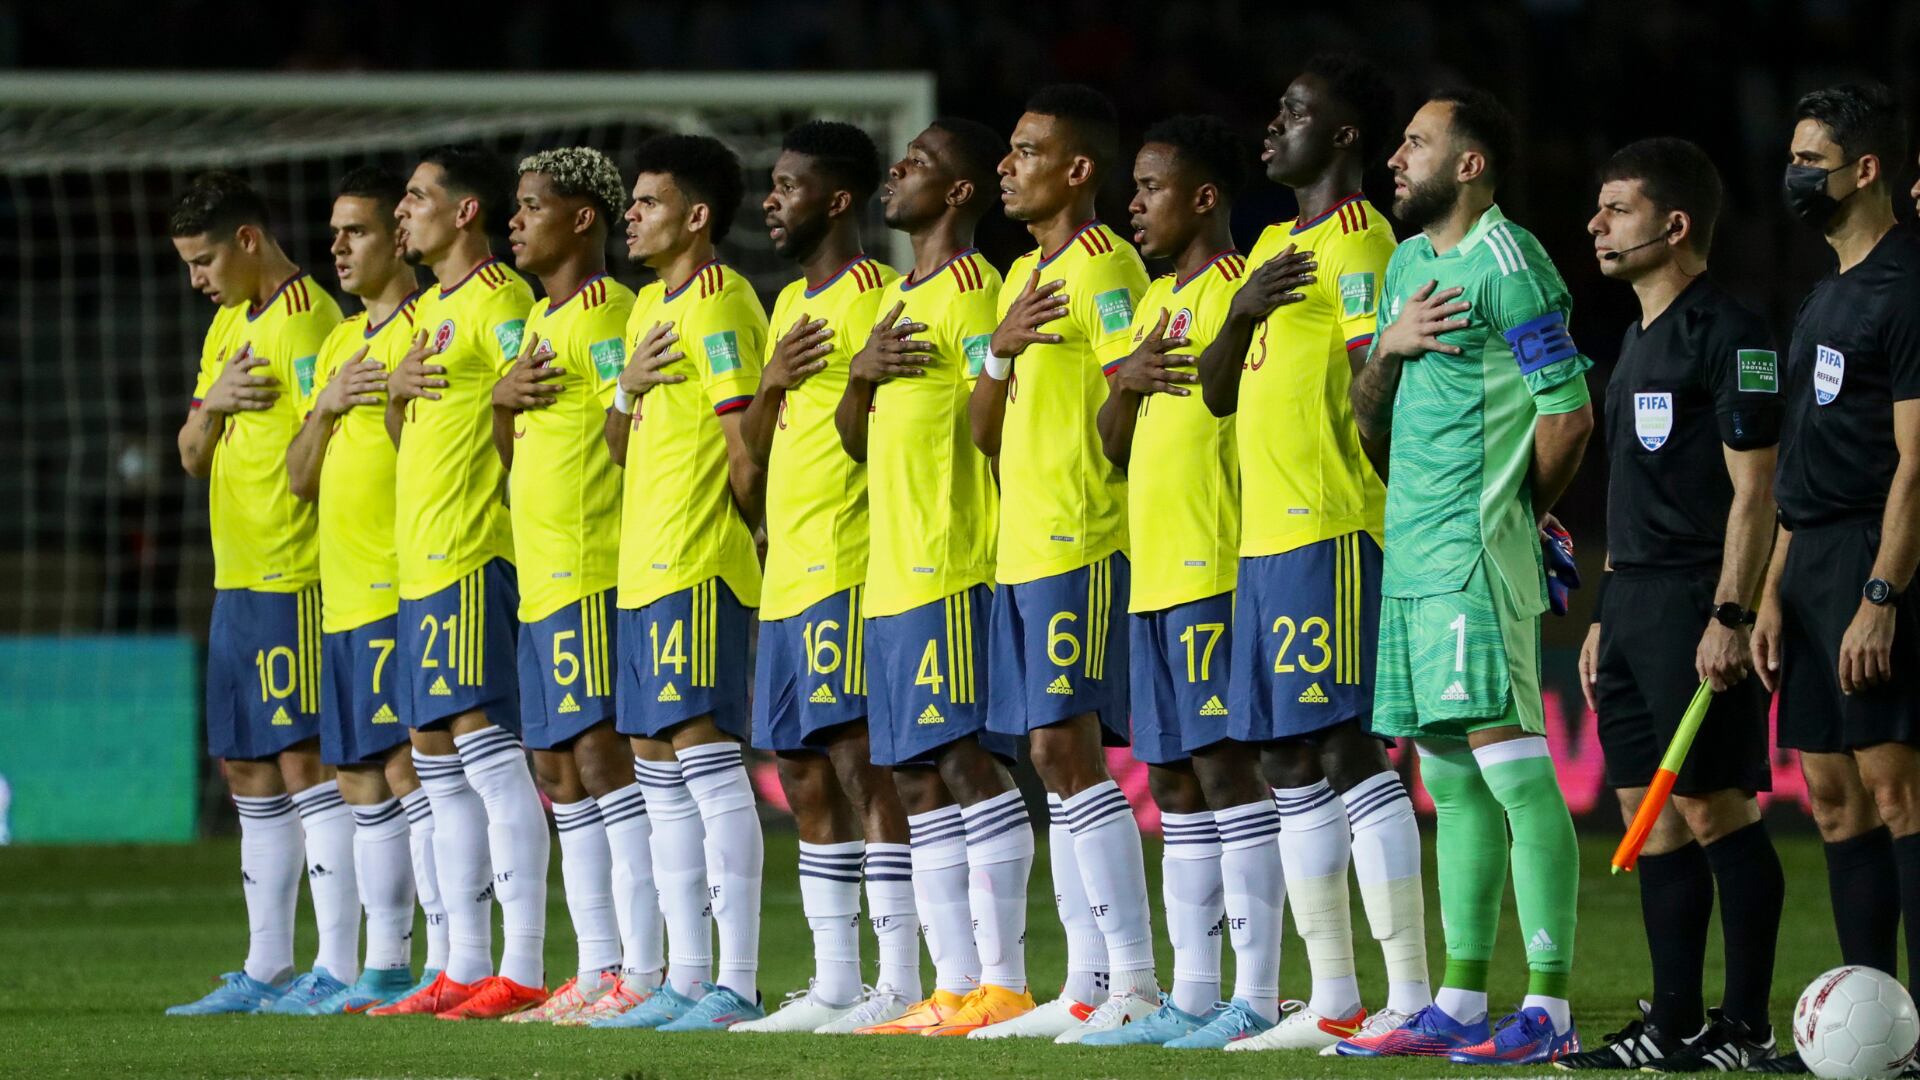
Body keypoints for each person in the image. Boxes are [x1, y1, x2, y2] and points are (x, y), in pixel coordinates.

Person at [1193, 56, 1436, 1055]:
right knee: (1285, 758)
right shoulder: (1267, 249)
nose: (1272, 127)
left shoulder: (1363, 240)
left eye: (1296, 113)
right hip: (1264, 542)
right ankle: (1332, 995)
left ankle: (1410, 992)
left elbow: (1380, 394)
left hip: (1333, 528)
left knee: (1343, 749)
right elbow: (1212, 391)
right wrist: (1243, 309)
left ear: (1342, 138)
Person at [1345, 88, 1593, 1065]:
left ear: (1472, 164)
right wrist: (1390, 350)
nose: (1397, 157)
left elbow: (1567, 414)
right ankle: (1455, 999)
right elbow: (1368, 417)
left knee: (1515, 777)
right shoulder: (1407, 266)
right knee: (1448, 783)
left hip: (1471, 556)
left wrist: (1513, 517)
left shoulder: (1511, 262)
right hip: (1409, 554)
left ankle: (1551, 1008)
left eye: (1417, 142)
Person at [1556, 137, 1786, 1072]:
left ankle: (1746, 1023)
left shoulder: (1731, 332)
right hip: (1635, 604)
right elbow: (1636, 495)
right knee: (1644, 812)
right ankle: (1676, 1024)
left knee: (1716, 806)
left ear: (1675, 223)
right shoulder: (1635, 341)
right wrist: (1607, 613)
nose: (1596, 225)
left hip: (1701, 602)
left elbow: (1757, 488)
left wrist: (1731, 615)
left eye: (1616, 209)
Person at [833, 117, 1034, 1036]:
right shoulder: (894, 302)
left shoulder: (975, 291)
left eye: (916, 164)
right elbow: (853, 443)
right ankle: (951, 986)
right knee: (913, 781)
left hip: (952, 564)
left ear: (957, 193)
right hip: (889, 577)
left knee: (964, 763)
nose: (895, 175)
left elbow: (995, 430)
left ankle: (1006, 980)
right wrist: (860, 378)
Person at [966, 83, 1158, 1042]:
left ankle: (1132, 980)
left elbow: (1132, 409)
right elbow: (981, 432)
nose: (1006, 165)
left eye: (1026, 149)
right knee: (1047, 757)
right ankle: (1086, 984)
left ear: (1077, 170)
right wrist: (996, 355)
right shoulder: (1015, 281)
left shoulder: (1106, 267)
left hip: (1081, 540)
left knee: (1063, 751)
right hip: (1019, 543)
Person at [1079, 113, 1269, 1049]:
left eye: (1152, 187)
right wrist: (1127, 382)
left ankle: (1259, 994)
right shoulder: (1154, 305)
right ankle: (1192, 994)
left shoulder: (1243, 291)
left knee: (1226, 769)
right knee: (1174, 780)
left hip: (1215, 564)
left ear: (1203, 196)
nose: (1135, 203)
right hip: (1148, 575)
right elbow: (1110, 452)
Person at [732, 121, 918, 1033]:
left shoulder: (880, 296)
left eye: (788, 183)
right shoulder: (784, 310)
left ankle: (900, 977)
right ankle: (836, 981)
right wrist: (767, 384)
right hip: (786, 574)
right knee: (801, 772)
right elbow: (754, 451)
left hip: (851, 562)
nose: (771, 199)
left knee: (862, 765)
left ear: (837, 200)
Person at [1750, 81, 1920, 1076]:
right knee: (1833, 802)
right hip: (1808, 559)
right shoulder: (1820, 294)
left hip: (1869, 560)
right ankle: (1876, 1035)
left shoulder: (1906, 288)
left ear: (1865, 170)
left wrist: (1882, 597)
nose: (1794, 175)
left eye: (1811, 159)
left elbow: (1916, 465)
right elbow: (1799, 464)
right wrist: (1773, 588)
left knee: (1898, 795)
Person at [371, 145, 552, 1021]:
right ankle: (458, 962)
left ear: (465, 211)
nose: (403, 212)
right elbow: (413, 441)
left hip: (478, 553)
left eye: (416, 197)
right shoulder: (419, 318)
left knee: (485, 749)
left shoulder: (504, 301)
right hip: (419, 562)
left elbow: (530, 410)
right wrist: (399, 396)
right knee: (434, 759)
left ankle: (520, 964)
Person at [164, 171, 349, 1015]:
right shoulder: (225, 326)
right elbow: (191, 452)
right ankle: (268, 962)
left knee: (306, 758)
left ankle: (340, 964)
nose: (197, 279)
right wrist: (216, 407)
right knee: (245, 764)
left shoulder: (311, 321)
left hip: (295, 572)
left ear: (247, 240)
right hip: (235, 576)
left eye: (204, 260)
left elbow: (327, 445)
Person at [595, 133, 767, 1033]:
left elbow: (748, 447)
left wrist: (751, 529)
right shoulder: (644, 312)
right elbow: (618, 451)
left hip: (699, 564)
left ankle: (733, 982)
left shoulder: (722, 301)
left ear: (696, 217)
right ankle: (683, 977)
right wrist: (622, 391)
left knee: (705, 768)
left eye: (649, 201)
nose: (633, 213)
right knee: (658, 773)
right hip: (642, 568)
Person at [491, 146, 664, 1024]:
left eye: (530, 206)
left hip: (593, 569)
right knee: (557, 767)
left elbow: (629, 436)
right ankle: (597, 966)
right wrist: (498, 401)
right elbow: (514, 451)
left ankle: (643, 966)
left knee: (601, 761)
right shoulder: (536, 323)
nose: (513, 220)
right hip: (539, 575)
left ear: (581, 219)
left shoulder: (609, 316)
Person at [281, 166, 448, 1014]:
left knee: (408, 768)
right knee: (356, 774)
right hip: (341, 594)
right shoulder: (341, 347)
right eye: (334, 232)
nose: (338, 247)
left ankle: (441, 959)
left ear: (399, 238)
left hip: (401, 584)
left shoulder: (429, 325)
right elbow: (300, 480)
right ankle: (380, 964)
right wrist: (325, 407)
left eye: (357, 232)